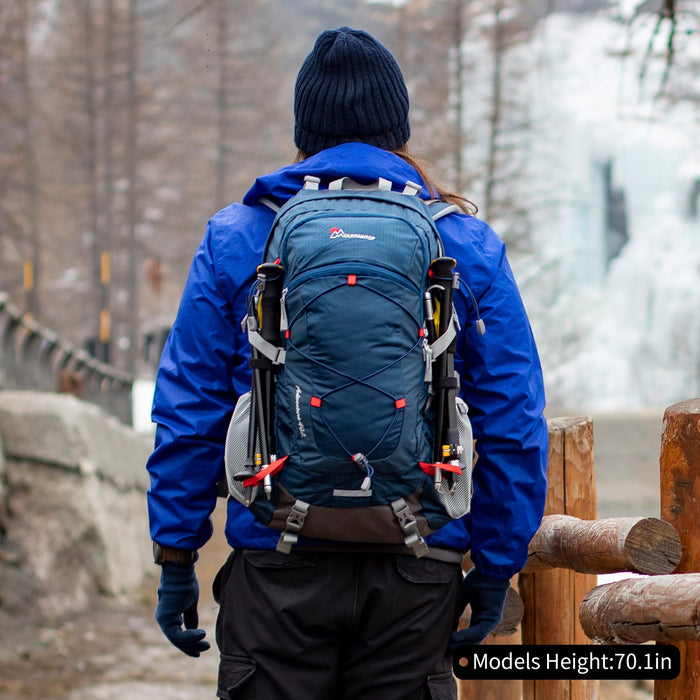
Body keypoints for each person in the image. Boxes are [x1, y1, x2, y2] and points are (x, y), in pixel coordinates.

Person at [147, 26, 548, 700]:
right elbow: (512, 414)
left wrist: (175, 554)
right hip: (418, 562)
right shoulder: (462, 243)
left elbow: (190, 408)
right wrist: (495, 563)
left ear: (306, 129)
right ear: (400, 131)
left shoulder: (240, 236)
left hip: (277, 563)